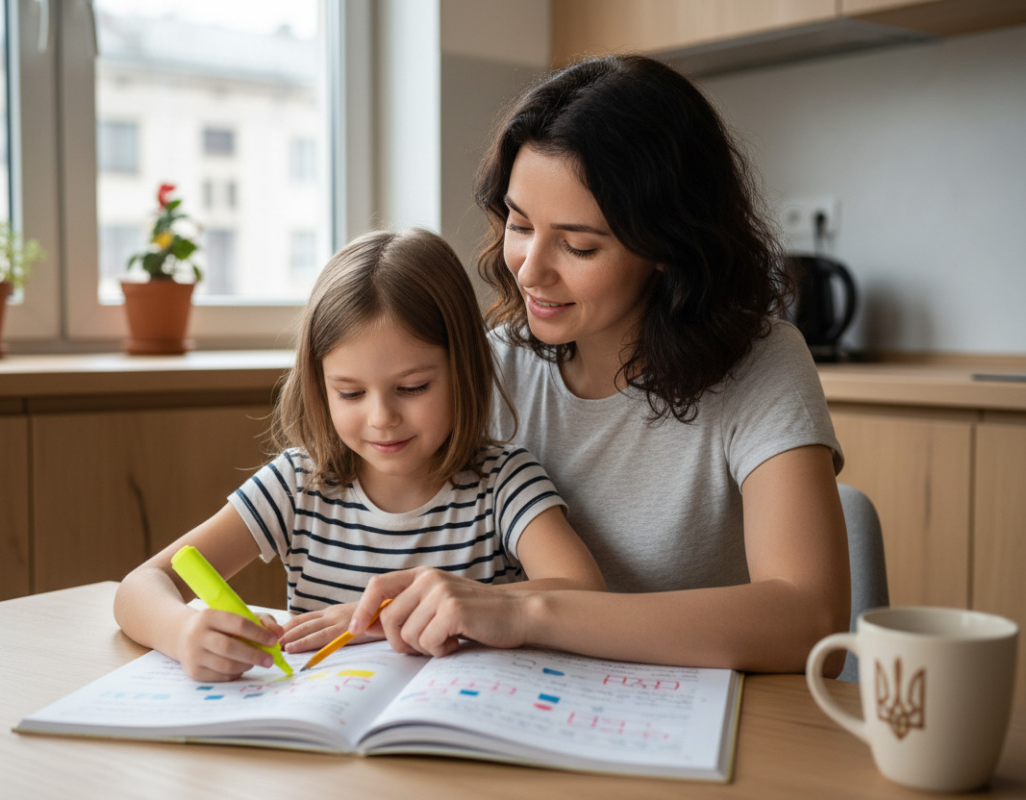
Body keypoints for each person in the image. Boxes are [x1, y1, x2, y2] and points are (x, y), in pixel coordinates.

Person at [347, 55, 851, 675]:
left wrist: (526, 613)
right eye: (519, 223)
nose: (529, 270)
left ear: (667, 245)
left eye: (579, 245)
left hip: (699, 720)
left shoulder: (762, 363)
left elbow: (811, 622)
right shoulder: (494, 360)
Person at [113, 228, 605, 681]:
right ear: (319, 384)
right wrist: (182, 633)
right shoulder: (297, 484)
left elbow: (584, 594)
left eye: (412, 388)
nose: (381, 417)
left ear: (465, 370)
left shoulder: (504, 483)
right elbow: (141, 585)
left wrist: (383, 615)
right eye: (350, 393)